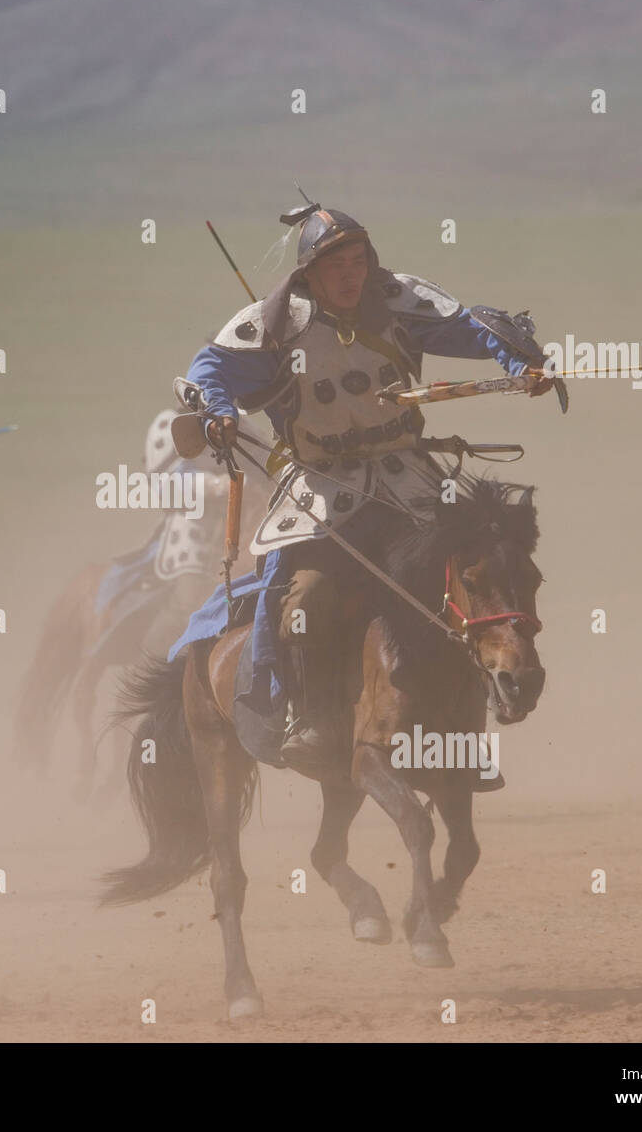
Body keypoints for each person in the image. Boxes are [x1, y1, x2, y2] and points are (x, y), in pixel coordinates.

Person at [179, 204, 555, 776]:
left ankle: (471, 724)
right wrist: (220, 414)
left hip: (410, 485)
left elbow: (473, 327)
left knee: (483, 577)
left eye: (359, 261)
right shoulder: (275, 329)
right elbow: (211, 372)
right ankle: (306, 721)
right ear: (309, 273)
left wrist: (520, 361)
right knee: (305, 603)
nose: (352, 275)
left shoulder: (398, 302)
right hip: (323, 498)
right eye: (338, 265)